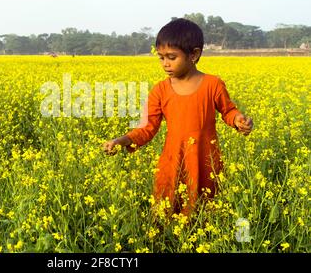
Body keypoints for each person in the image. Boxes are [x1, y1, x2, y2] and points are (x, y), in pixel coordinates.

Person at [102, 18, 253, 216]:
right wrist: (121, 140)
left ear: (194, 54)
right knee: (166, 212)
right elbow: (147, 128)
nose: (165, 64)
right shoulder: (160, 90)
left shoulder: (213, 84)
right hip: (173, 160)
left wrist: (238, 120)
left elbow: (228, 111)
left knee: (206, 212)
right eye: (161, 57)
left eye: (171, 57)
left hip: (205, 160)